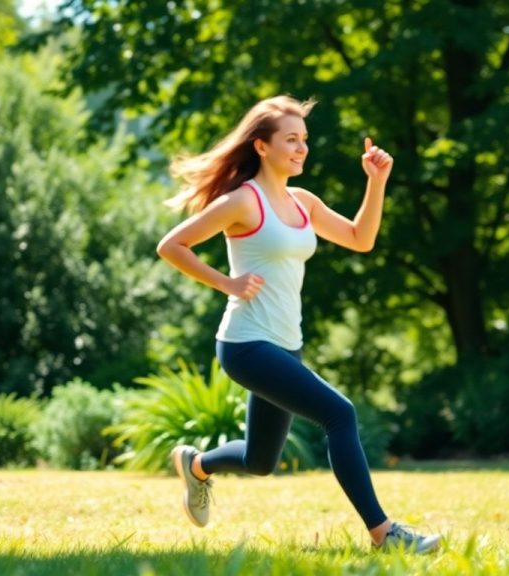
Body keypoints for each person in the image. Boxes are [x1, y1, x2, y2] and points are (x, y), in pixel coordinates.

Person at [155, 95, 441, 553]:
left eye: (304, 139)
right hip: (247, 344)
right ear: (262, 146)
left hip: (287, 343)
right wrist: (227, 283)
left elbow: (360, 239)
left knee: (260, 460)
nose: (301, 148)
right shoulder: (242, 201)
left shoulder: (302, 202)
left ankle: (197, 465)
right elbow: (172, 246)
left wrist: (377, 182)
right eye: (290, 139)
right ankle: (384, 533)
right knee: (339, 414)